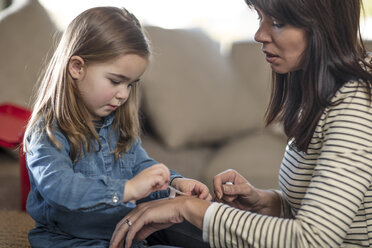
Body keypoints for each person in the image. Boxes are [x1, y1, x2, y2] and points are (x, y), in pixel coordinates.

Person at [110, 0, 372, 247]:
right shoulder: (325, 92)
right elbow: (326, 216)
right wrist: (264, 201)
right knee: (151, 221)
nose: (260, 34)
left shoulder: (355, 104)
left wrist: (189, 208)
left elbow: (313, 240)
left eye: (278, 22)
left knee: (163, 222)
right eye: (260, 18)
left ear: (323, 25)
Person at [23, 6, 211, 248]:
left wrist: (174, 183)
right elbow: (59, 188)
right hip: (71, 241)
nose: (123, 94)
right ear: (77, 68)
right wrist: (127, 189)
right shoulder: (47, 131)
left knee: (205, 232)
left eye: (131, 84)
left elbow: (140, 166)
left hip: (124, 229)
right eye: (115, 81)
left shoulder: (116, 126)